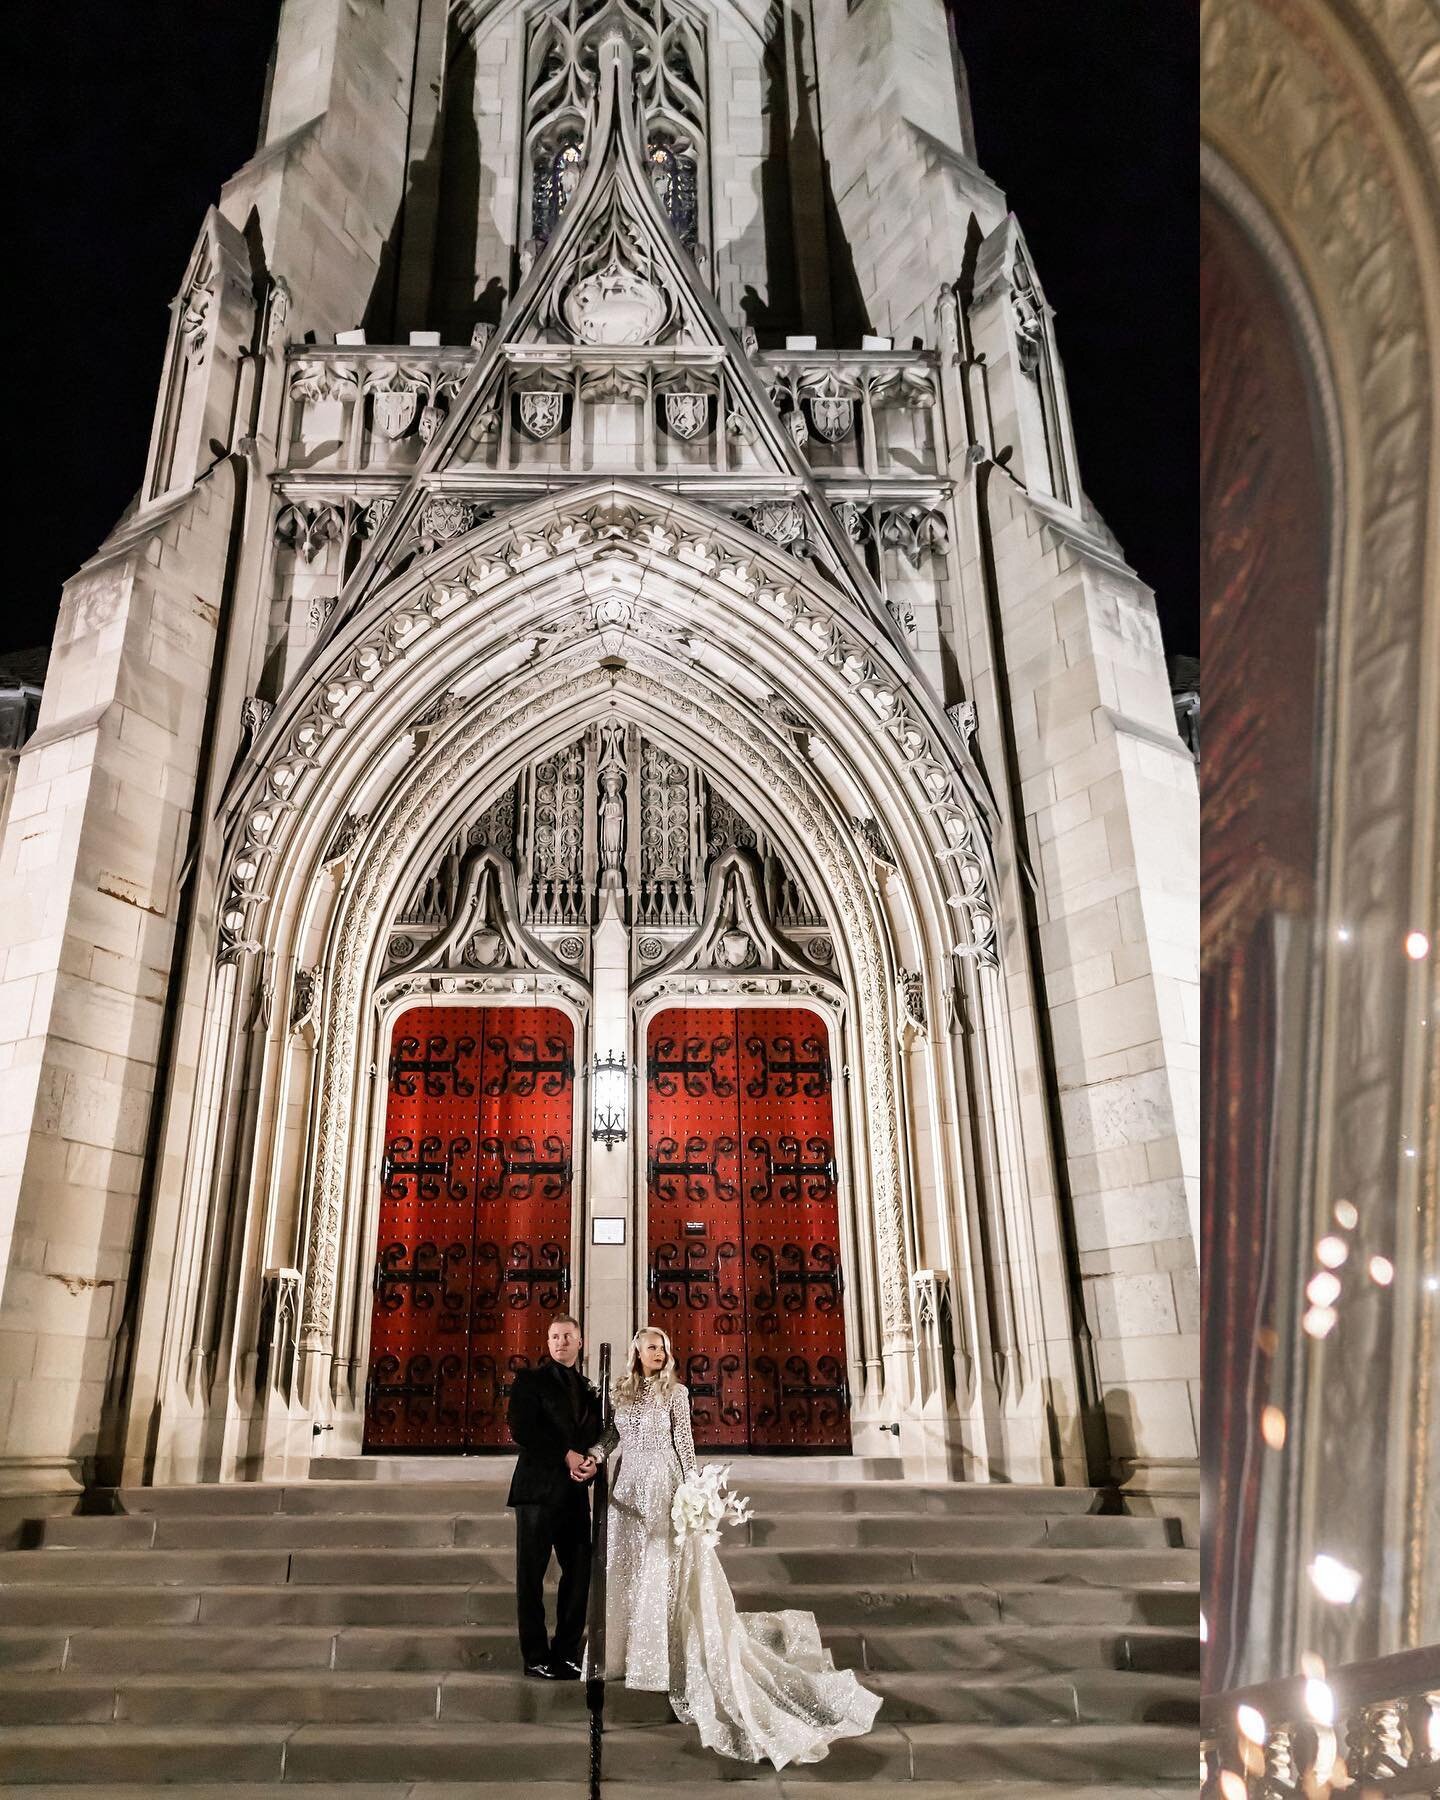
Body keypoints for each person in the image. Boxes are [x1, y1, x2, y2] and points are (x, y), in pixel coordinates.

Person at [592, 1325, 882, 1766]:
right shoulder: (622, 1392)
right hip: (628, 1487)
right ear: (636, 1351)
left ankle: (661, 1659)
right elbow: (613, 1435)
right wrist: (595, 1452)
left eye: (663, 1348)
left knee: (662, 1571)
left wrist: (692, 1491)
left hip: (663, 1482)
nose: (658, 1352)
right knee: (628, 1568)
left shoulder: (676, 1392)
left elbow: (683, 1444)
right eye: (651, 1347)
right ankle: (626, 1653)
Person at [505, 1313, 607, 1680]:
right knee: (530, 1577)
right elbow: (522, 1428)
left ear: (580, 1342)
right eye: (554, 1337)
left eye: (567, 1336)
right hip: (536, 1491)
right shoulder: (530, 1381)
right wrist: (565, 1454)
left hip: (574, 1494)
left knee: (579, 1574)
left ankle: (566, 1653)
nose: (561, 1341)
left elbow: (598, 1435)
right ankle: (535, 1657)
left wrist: (593, 1461)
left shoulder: (592, 1389)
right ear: (548, 1344)